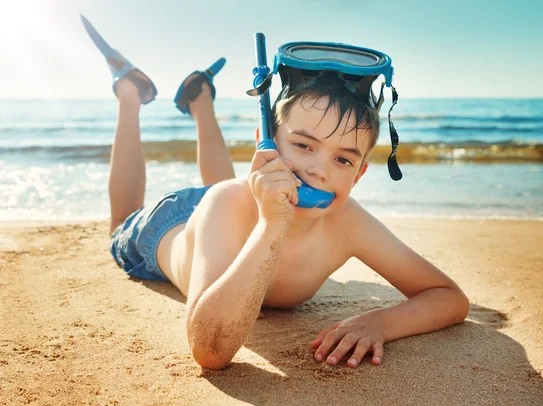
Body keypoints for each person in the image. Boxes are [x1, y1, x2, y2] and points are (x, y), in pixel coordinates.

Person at [92, 27, 469, 370]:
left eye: (343, 159)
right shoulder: (227, 203)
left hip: (239, 200)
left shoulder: (348, 221)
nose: (320, 171)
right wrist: (273, 222)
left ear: (359, 174)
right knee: (123, 224)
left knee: (224, 188)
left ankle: (200, 98)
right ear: (266, 142)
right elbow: (209, 351)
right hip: (169, 226)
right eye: (304, 145)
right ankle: (129, 94)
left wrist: (378, 322)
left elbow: (448, 296)